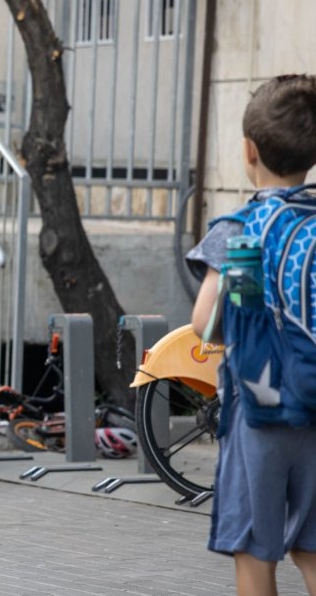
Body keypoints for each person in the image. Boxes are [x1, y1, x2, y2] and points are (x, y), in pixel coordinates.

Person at [187, 75, 316, 595]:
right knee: (311, 546)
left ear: (249, 150)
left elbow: (205, 322)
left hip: (259, 409)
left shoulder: (242, 227)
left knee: (254, 548)